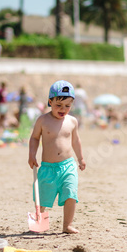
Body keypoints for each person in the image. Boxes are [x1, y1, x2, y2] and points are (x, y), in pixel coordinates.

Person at [28, 80, 86, 234]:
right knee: (42, 197)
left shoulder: (72, 121)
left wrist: (80, 158)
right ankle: (38, 222)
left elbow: (76, 141)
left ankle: (67, 225)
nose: (63, 109)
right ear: (50, 102)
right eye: (58, 105)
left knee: (70, 194)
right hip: (48, 167)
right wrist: (32, 154)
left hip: (68, 166)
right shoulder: (43, 120)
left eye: (67, 106)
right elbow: (34, 138)